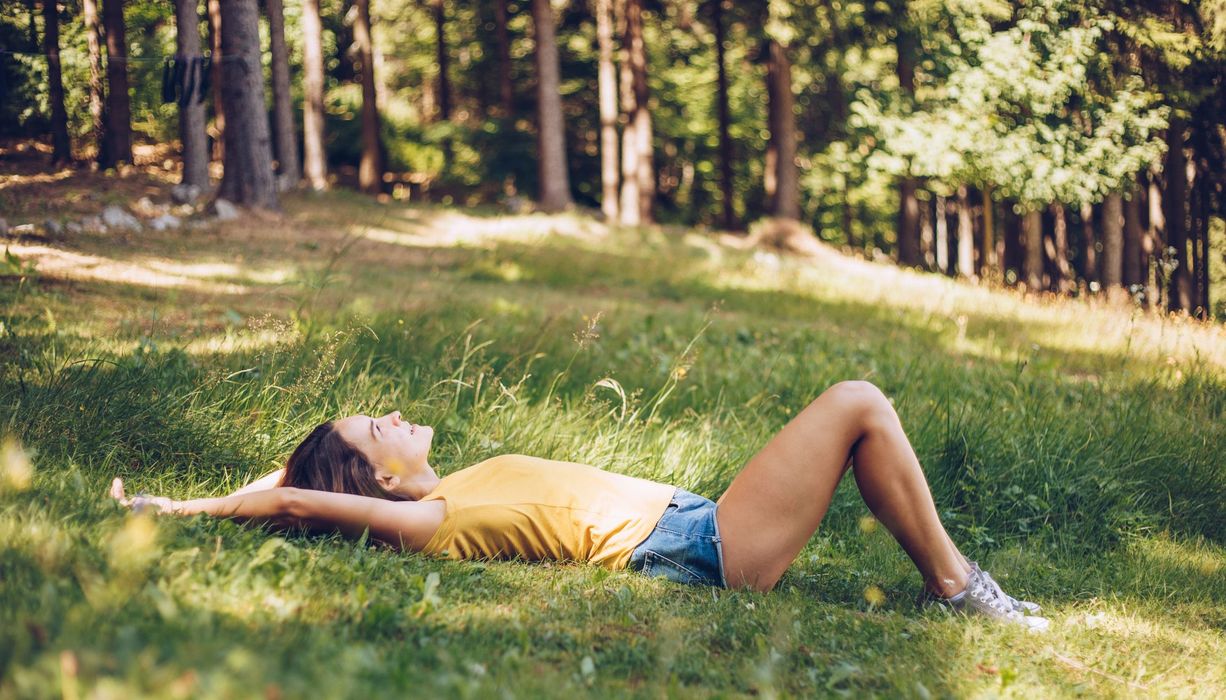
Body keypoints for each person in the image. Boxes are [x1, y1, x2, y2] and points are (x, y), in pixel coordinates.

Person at [110, 380, 1048, 629]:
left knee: (860, 415)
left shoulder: (450, 487)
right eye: (376, 428)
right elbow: (296, 502)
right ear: (382, 484)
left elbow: (293, 482)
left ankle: (954, 583)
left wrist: (258, 483)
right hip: (707, 549)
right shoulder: (430, 521)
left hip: (701, 521)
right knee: (857, 403)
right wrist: (185, 511)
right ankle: (960, 590)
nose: (393, 416)